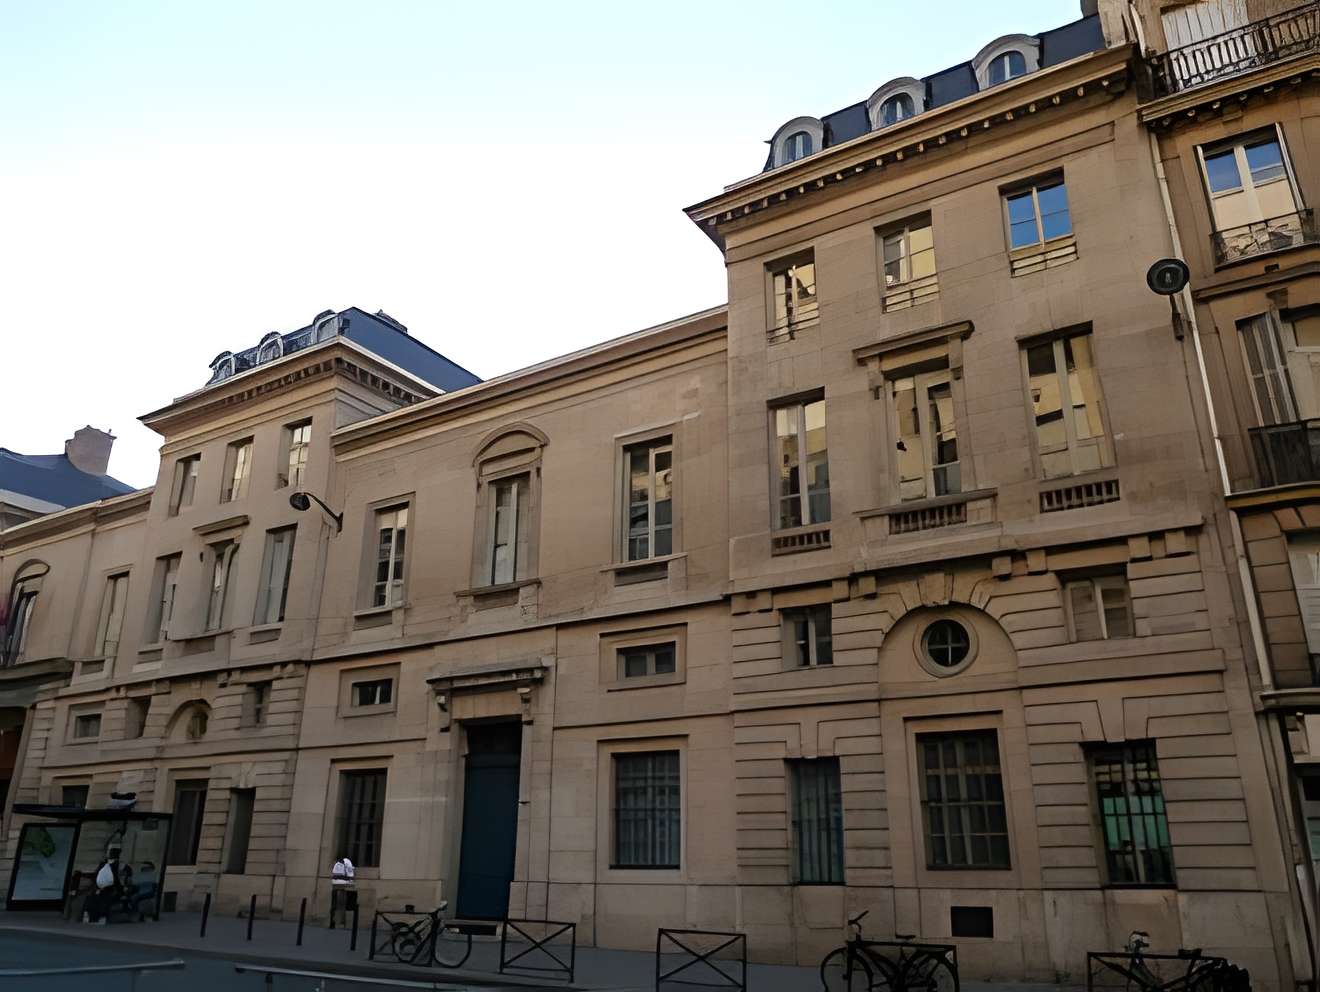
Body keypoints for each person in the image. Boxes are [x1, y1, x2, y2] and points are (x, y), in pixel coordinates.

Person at [83, 847, 122, 925]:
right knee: (98, 898)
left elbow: (98, 875)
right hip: (106, 887)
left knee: (98, 898)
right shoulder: (111, 865)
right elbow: (114, 878)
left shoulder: (106, 864)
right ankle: (98, 916)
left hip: (105, 887)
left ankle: (95, 916)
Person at [329, 854, 355, 927]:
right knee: (336, 904)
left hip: (341, 886)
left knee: (339, 904)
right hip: (338, 886)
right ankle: (334, 922)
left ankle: (336, 922)